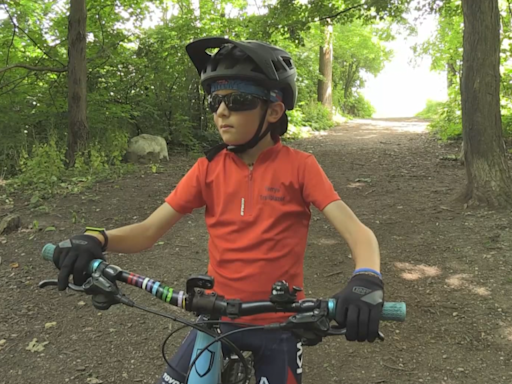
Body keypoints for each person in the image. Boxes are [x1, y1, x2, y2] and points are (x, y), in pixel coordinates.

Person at [51, 37, 384, 384]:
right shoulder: (208, 168)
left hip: (281, 318)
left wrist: (366, 279)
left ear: (273, 110)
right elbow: (149, 231)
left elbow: (358, 232)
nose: (221, 112)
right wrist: (96, 238)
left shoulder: (300, 167)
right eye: (215, 101)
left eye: (237, 100)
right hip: (215, 316)